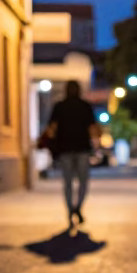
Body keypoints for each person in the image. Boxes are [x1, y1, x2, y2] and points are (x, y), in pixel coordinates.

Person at [44, 81, 100, 226]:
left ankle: (70, 211)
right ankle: (77, 208)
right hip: (82, 149)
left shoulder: (59, 106)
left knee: (68, 183)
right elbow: (92, 128)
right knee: (83, 182)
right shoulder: (85, 106)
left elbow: (52, 129)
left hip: (65, 149)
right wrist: (97, 146)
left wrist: (50, 143)